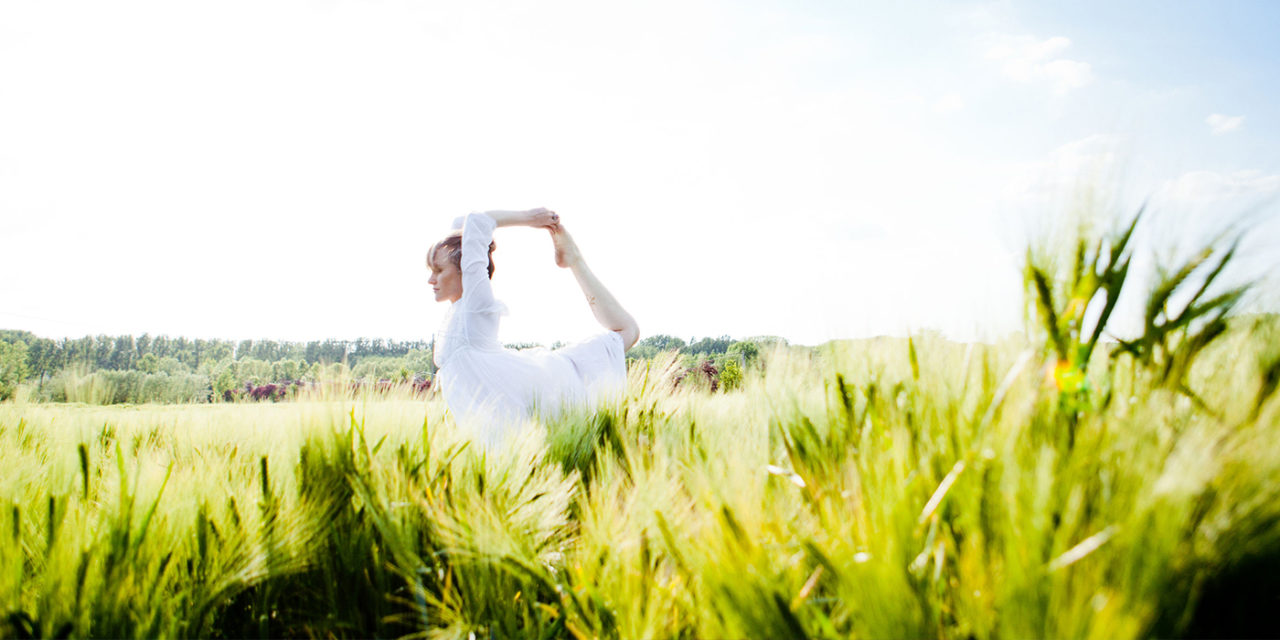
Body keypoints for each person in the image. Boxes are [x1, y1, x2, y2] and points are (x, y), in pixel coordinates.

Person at [427, 208, 639, 449]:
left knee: (628, 331)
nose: (431, 280)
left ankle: (574, 259)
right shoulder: (459, 309)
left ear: (465, 270)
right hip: (514, 403)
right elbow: (463, 223)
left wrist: (531, 219)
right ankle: (572, 259)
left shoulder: (476, 304)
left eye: (438, 270)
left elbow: (477, 221)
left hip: (543, 387)